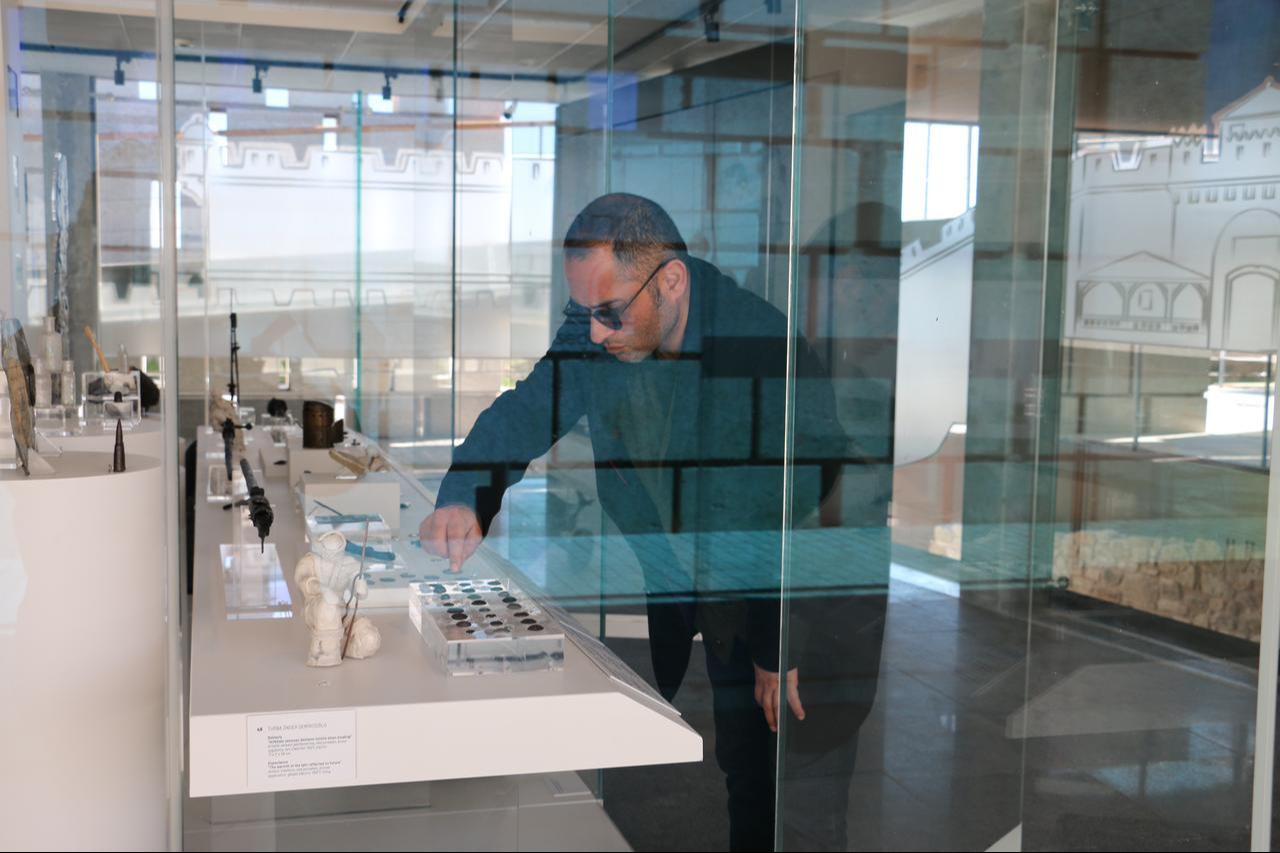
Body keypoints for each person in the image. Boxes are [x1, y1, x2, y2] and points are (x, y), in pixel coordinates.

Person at [420, 193, 885, 851]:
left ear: (670, 280)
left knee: (793, 796)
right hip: (712, 592)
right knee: (743, 772)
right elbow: (529, 407)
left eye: (609, 313)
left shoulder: (760, 347)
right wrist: (467, 494)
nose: (597, 334)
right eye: (585, 314)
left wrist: (781, 648)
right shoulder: (602, 326)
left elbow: (806, 513)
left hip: (798, 608)